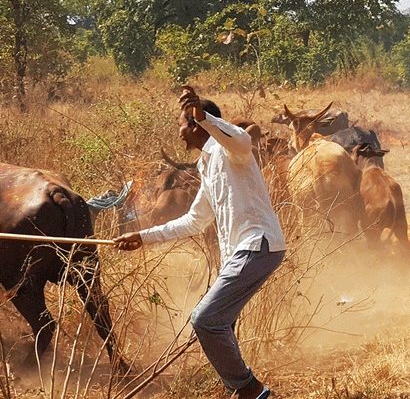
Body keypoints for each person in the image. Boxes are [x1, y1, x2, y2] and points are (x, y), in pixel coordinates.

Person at [114, 86, 285, 399]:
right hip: (243, 252)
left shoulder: (230, 150)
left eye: (182, 124)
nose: (179, 132)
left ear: (195, 124)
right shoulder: (207, 165)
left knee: (205, 320)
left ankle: (251, 390)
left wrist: (204, 116)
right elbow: (194, 221)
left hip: (257, 245)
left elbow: (244, 139)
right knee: (222, 324)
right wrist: (142, 237)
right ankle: (236, 390)